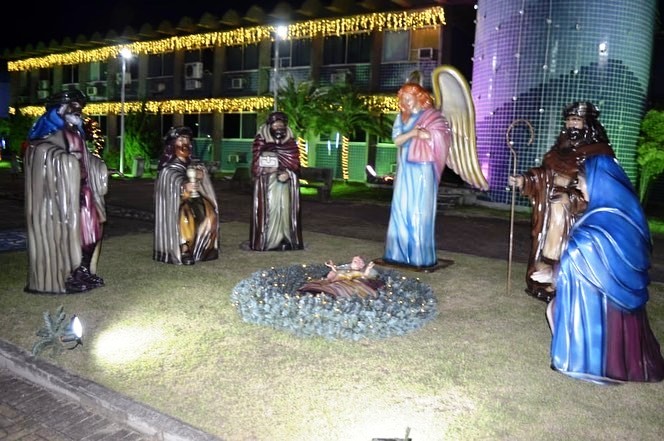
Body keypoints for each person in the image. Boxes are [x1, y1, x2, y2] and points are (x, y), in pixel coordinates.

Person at [533, 155, 664, 384]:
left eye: (582, 182)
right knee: (553, 309)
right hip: (622, 302)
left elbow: (583, 253)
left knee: (557, 309)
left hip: (602, 304)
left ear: (597, 182)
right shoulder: (626, 214)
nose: (579, 188)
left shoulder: (602, 221)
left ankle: (590, 364)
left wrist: (554, 274)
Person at [508, 101, 615, 302]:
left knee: (566, 246)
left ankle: (564, 282)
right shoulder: (560, 149)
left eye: (576, 120)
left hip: (575, 216)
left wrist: (572, 199)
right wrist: (524, 180)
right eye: (569, 121)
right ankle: (543, 278)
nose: (571, 125)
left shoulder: (600, 153)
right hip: (549, 211)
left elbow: (601, 188)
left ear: (587, 123)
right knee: (547, 245)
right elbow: (545, 173)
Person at [24, 89, 108, 294]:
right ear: (60, 109)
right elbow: (42, 156)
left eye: (80, 108)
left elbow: (85, 158)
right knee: (67, 235)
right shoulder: (46, 136)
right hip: (58, 200)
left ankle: (83, 270)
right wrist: (69, 165)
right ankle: (66, 275)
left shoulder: (76, 133)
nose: (78, 111)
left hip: (83, 194)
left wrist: (97, 166)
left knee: (91, 233)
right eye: (74, 106)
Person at [382, 81, 451, 268]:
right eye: (403, 98)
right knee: (401, 208)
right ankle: (397, 252)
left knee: (420, 211)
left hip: (423, 169)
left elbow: (443, 136)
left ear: (419, 97)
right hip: (405, 170)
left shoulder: (433, 116)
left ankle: (420, 254)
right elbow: (397, 140)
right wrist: (413, 133)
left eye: (409, 98)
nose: (406, 101)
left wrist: (428, 136)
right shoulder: (401, 118)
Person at [154, 126, 219, 265]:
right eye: (180, 139)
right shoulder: (168, 169)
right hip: (177, 203)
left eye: (187, 140)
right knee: (185, 216)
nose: (185, 143)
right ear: (172, 145)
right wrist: (183, 186)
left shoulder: (194, 164)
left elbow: (202, 180)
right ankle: (185, 249)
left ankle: (204, 247)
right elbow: (169, 181)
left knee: (211, 214)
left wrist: (202, 176)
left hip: (196, 199)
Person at [249, 111, 303, 251]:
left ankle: (286, 238)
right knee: (271, 210)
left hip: (285, 185)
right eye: (275, 124)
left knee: (285, 209)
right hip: (268, 185)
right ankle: (270, 240)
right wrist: (265, 171)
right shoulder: (261, 141)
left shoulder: (290, 144)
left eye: (281, 124)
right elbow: (256, 165)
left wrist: (288, 173)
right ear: (270, 125)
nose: (278, 126)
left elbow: (296, 166)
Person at [299, 255, 383, 299]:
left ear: (363, 264)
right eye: (355, 261)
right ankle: (313, 291)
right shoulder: (347, 268)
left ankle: (326, 295)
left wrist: (366, 271)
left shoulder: (365, 271)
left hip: (349, 284)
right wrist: (332, 267)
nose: (356, 263)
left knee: (338, 288)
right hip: (335, 281)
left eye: (359, 261)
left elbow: (367, 278)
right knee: (323, 283)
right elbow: (337, 272)